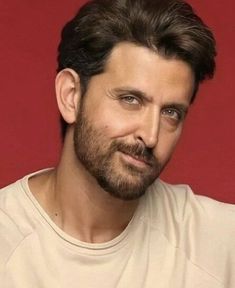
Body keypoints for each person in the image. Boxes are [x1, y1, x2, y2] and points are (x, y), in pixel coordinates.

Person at [0, 0, 234, 287]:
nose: (150, 136)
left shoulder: (220, 245)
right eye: (130, 100)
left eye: (171, 113)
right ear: (71, 95)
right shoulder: (7, 245)